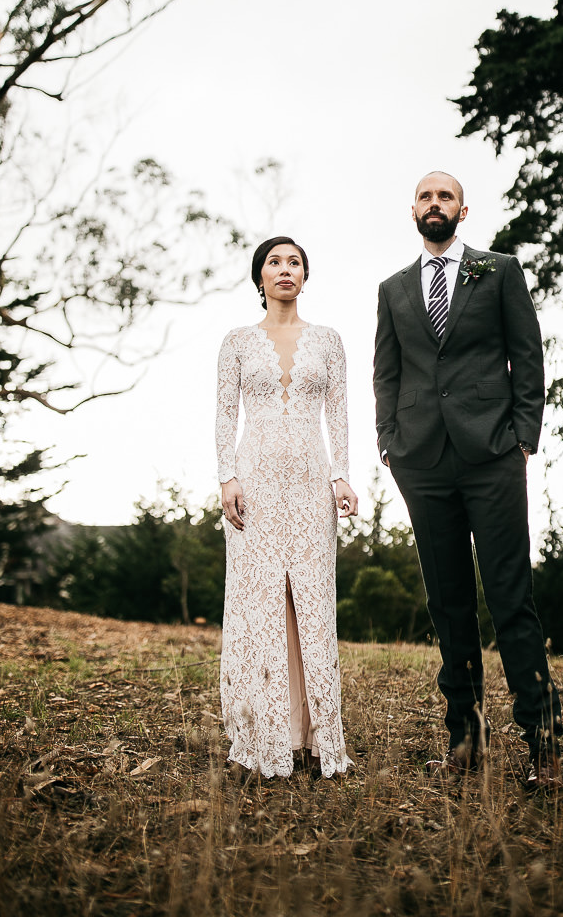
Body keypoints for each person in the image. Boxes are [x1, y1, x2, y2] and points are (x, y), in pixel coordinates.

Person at [373, 171, 563, 789]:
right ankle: (467, 743)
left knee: (511, 598)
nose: (435, 204)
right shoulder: (393, 289)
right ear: (413, 211)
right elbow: (388, 371)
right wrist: (390, 442)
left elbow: (527, 353)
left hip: (492, 456)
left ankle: (543, 745)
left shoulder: (499, 271)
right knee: (449, 605)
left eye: (445, 196)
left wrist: (523, 437)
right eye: (425, 197)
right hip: (422, 464)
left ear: (462, 210)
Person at [216, 235, 357, 778]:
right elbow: (224, 415)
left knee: (312, 605)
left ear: (304, 276)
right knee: (260, 605)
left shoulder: (328, 341)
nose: (284, 269)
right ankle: (264, 736)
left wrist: (341, 475)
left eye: (294, 262)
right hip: (254, 486)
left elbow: (340, 413)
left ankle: (318, 739)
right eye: (274, 262)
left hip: (310, 485)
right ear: (260, 278)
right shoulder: (236, 343)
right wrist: (226, 476)